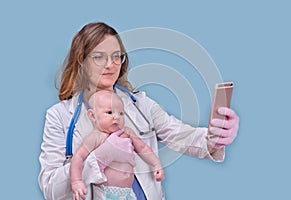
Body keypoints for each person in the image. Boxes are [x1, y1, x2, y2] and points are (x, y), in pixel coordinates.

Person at [38, 22, 239, 200]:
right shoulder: (60, 116)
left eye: (117, 57)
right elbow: (50, 189)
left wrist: (216, 137)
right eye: (99, 57)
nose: (110, 65)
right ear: (81, 60)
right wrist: (99, 158)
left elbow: (182, 136)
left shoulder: (140, 105)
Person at [70, 90, 164, 200]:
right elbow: (78, 157)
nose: (116, 117)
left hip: (128, 193)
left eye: (121, 113)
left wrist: (156, 164)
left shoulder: (127, 132)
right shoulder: (96, 137)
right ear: (92, 116)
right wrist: (76, 181)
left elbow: (143, 147)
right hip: (107, 194)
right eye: (109, 112)